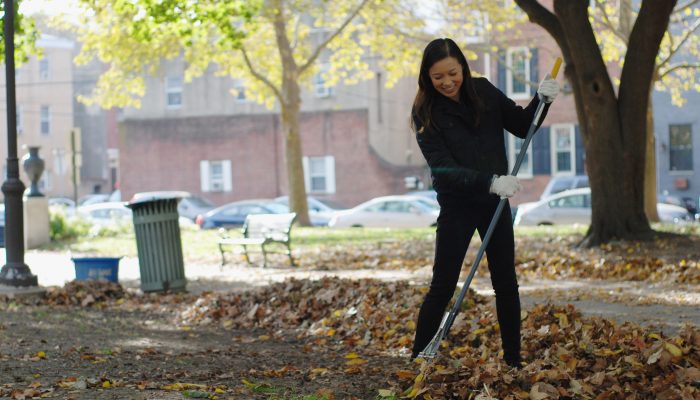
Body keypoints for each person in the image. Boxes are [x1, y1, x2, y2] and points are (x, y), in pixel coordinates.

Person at [410, 38, 559, 368]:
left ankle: (513, 361)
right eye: (438, 78)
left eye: (453, 73)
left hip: (495, 205)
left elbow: (523, 126)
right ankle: (419, 358)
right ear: (427, 77)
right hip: (457, 207)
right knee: (443, 285)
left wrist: (542, 101)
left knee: (506, 283)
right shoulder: (425, 113)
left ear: (462, 66)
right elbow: (444, 170)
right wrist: (490, 181)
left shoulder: (484, 92)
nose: (447, 82)